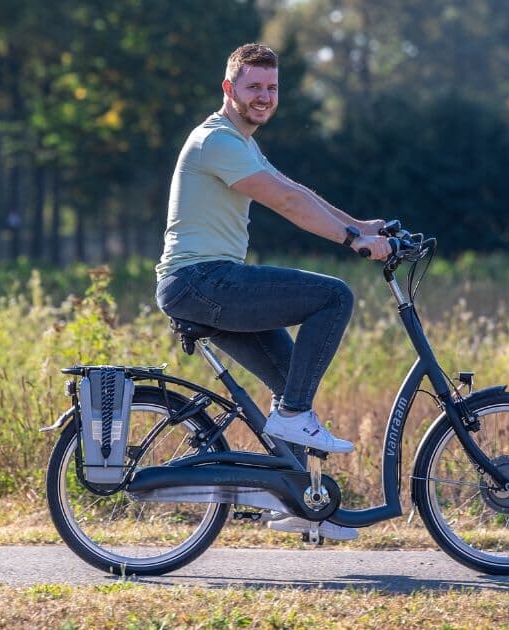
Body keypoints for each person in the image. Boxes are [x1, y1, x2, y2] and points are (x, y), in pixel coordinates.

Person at [155, 43, 392, 540]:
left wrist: (361, 224)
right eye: (253, 87)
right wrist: (353, 242)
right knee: (334, 297)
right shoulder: (215, 140)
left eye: (271, 88)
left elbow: (295, 189)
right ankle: (292, 418)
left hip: (204, 283)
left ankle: (300, 506)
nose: (264, 97)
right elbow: (284, 202)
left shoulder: (240, 142)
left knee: (291, 380)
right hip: (201, 280)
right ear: (229, 90)